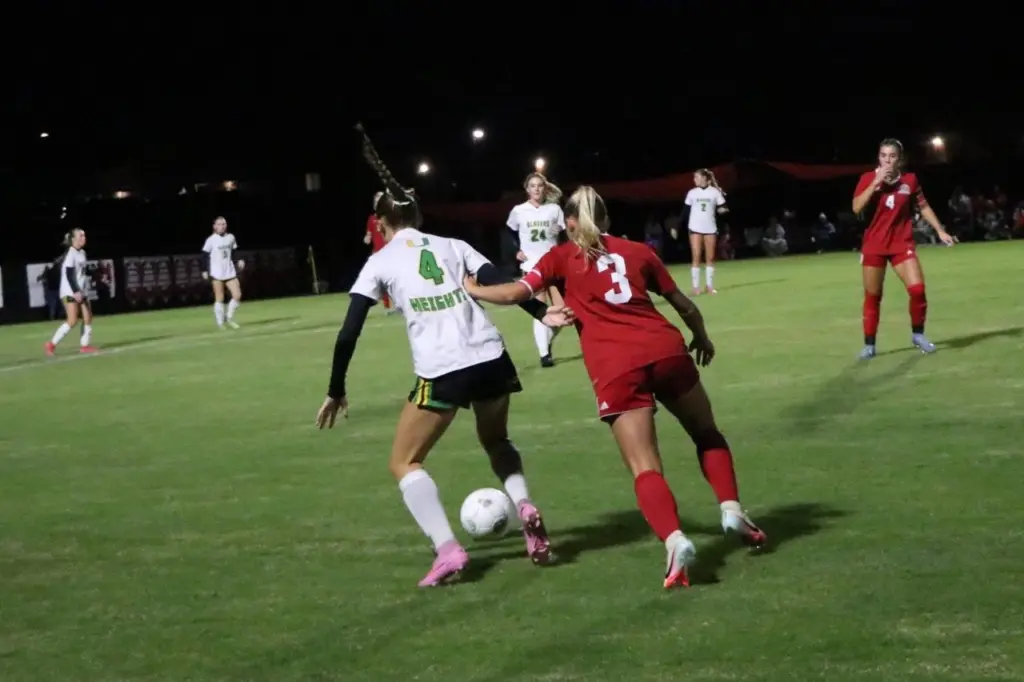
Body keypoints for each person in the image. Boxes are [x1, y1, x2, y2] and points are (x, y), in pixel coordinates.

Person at [464, 186, 765, 590]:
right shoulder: (639, 251)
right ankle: (731, 509)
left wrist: (474, 289)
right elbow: (684, 305)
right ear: (606, 219)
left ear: (569, 224)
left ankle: (675, 541)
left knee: (645, 467)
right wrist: (702, 338)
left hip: (617, 367)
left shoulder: (560, 257)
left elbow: (516, 292)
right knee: (706, 433)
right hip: (667, 350)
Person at [316, 130, 574, 587]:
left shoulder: (380, 262)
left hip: (443, 370)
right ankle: (524, 505)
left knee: (404, 462)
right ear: (418, 216)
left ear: (381, 223)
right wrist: (541, 312)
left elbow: (348, 332)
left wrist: (336, 389)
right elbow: (501, 280)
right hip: (491, 357)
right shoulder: (453, 245)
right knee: (496, 440)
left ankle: (448, 550)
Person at [852, 139, 956, 359]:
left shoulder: (909, 180)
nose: (887, 160)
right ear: (878, 157)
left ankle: (918, 335)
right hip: (874, 246)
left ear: (899, 160)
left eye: (892, 156)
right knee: (873, 296)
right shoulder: (868, 178)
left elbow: (923, 206)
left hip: (902, 244)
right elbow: (856, 207)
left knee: (917, 289)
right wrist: (876, 182)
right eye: (883, 156)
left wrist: (940, 230)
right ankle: (869, 345)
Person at [506, 172, 567, 367]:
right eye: (532, 186)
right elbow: (509, 233)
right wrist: (516, 251)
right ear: (527, 189)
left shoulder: (554, 209)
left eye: (540, 185)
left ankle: (546, 343)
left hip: (554, 264)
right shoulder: (519, 210)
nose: (536, 189)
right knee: (540, 307)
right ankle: (544, 355)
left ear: (545, 188)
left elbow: (565, 234)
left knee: (565, 310)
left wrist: (560, 232)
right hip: (532, 265)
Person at [44, 228, 98, 355]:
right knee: (72, 320)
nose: (84, 238)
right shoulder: (71, 253)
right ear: (73, 239)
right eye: (81, 236)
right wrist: (76, 291)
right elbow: (69, 274)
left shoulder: (82, 252)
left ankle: (85, 346)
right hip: (70, 291)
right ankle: (51, 344)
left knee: (88, 317)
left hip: (81, 290)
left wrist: (90, 271)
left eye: (84, 236)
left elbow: (80, 271)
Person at [683, 169, 728, 294]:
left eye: (697, 177)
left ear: (704, 178)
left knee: (710, 257)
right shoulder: (692, 193)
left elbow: (723, 207)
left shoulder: (714, 192)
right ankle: (695, 287)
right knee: (696, 256)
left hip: (710, 228)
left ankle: (709, 286)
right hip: (695, 227)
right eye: (694, 178)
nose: (695, 180)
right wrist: (676, 226)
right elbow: (685, 211)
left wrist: (723, 210)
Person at [201, 217, 245, 329]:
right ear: (214, 226)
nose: (222, 226)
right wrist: (204, 270)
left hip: (229, 271)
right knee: (219, 298)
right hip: (217, 273)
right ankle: (220, 323)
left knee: (237, 295)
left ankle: (229, 317)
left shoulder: (231, 237)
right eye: (219, 224)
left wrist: (239, 260)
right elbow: (204, 256)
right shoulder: (211, 240)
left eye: (223, 224)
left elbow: (234, 252)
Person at [363, 192, 395, 314]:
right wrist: (367, 238)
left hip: (390, 252)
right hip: (378, 253)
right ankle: (387, 306)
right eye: (376, 201)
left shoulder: (390, 218)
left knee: (393, 279)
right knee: (382, 281)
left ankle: (397, 303)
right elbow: (369, 234)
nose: (378, 203)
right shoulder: (372, 219)